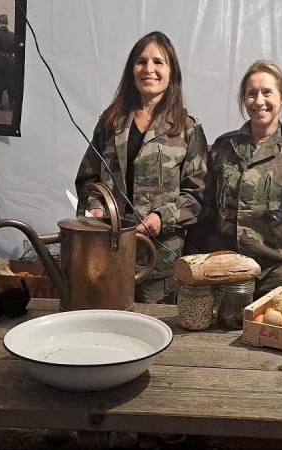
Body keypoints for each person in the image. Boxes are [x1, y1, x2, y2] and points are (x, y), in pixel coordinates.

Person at [75, 31, 209, 304]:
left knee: (154, 337)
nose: (149, 69)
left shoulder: (187, 129)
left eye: (158, 62)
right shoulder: (111, 121)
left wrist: (162, 217)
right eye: (141, 61)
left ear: (172, 72)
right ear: (131, 69)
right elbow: (88, 177)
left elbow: (198, 197)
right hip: (107, 254)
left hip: (159, 263)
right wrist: (96, 207)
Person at [204, 59, 282, 298]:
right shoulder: (223, 148)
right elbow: (207, 211)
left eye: (267, 92)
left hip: (277, 276)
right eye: (251, 94)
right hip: (224, 274)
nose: (259, 101)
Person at [0, 14, 15, 110]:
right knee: (11, 81)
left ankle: (0, 103)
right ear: (7, 23)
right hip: (10, 61)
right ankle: (11, 104)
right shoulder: (13, 35)